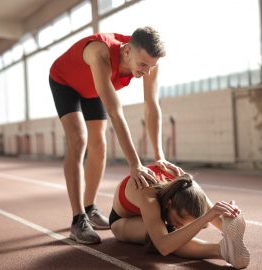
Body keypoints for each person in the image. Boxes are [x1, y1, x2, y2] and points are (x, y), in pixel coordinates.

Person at [49, 26, 184, 244]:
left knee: (99, 145)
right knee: (79, 139)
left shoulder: (148, 62)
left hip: (93, 87)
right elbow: (115, 112)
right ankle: (78, 219)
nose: (146, 72)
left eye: (151, 67)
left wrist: (159, 156)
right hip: (65, 82)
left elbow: (151, 106)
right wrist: (135, 164)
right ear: (127, 51)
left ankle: (90, 207)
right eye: (142, 66)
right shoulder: (100, 53)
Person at [110, 164, 250, 269]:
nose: (178, 226)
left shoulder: (188, 186)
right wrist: (206, 217)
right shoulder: (149, 197)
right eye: (178, 221)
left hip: (157, 211)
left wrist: (229, 215)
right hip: (122, 221)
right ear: (168, 204)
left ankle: (230, 246)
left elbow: (213, 214)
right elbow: (163, 247)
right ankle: (223, 250)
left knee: (178, 233)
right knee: (168, 236)